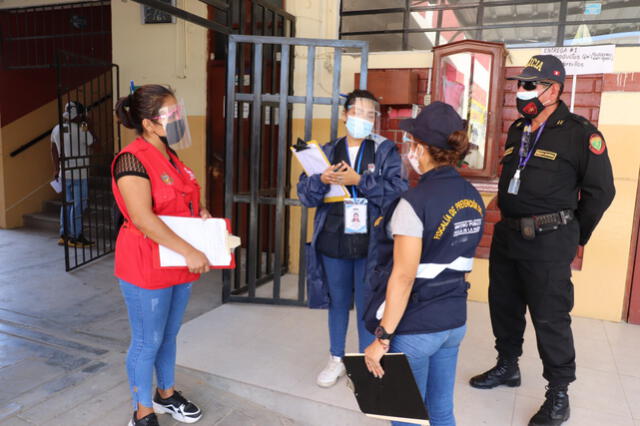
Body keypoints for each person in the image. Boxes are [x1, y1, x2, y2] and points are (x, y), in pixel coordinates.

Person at [469, 55, 615, 426]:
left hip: (550, 238)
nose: (522, 91)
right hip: (509, 234)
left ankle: (558, 394)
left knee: (550, 318)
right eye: (521, 84)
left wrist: (574, 233)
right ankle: (508, 366)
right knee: (503, 305)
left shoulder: (581, 133)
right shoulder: (519, 128)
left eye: (530, 85)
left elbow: (601, 192)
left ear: (554, 90)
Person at [363, 101, 485, 426]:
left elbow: (402, 278)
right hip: (454, 321)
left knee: (405, 417)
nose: (408, 151)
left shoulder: (413, 203)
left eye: (411, 144)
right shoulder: (472, 196)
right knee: (441, 410)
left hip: (416, 328)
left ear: (421, 148)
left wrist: (382, 338)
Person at [113, 85, 210, 426]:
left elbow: (179, 200)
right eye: (172, 116)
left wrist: (201, 215)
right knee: (147, 339)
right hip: (146, 263)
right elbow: (142, 218)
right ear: (149, 124)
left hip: (177, 261)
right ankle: (142, 412)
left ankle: (165, 394)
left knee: (168, 335)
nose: (179, 120)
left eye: (178, 112)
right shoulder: (131, 160)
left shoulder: (172, 155)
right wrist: (190, 249)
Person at [297, 89, 407, 388]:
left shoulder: (385, 151)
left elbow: (398, 190)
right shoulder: (326, 152)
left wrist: (360, 181)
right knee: (338, 301)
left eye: (371, 115)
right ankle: (336, 358)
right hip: (334, 238)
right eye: (358, 112)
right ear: (345, 115)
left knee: (367, 302)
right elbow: (305, 196)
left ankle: (363, 361)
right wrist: (320, 180)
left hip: (371, 241)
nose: (364, 119)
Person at [51, 101, 95, 247]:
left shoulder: (57, 129)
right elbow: (93, 143)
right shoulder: (82, 129)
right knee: (79, 205)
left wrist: (56, 169)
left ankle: (64, 234)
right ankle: (76, 237)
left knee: (67, 204)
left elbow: (54, 150)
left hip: (64, 173)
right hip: (80, 173)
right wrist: (87, 125)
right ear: (79, 114)